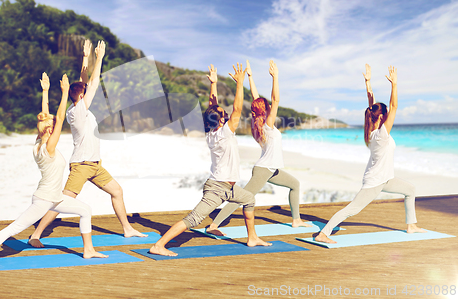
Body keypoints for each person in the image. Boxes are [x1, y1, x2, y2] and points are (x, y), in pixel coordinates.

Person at [0, 73, 108, 268]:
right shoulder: (49, 148)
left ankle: (88, 250)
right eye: (52, 125)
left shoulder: (39, 142)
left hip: (55, 197)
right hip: (45, 199)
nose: (54, 124)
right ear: (49, 130)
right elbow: (60, 117)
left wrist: (45, 92)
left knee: (85, 210)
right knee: (15, 228)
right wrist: (63, 93)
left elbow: (46, 116)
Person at [28, 40, 145, 248]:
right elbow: (92, 83)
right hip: (81, 166)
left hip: (95, 165)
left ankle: (127, 229)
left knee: (117, 191)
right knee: (60, 200)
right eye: (86, 92)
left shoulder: (80, 108)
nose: (90, 92)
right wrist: (99, 58)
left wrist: (85, 57)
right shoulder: (77, 112)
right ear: (81, 96)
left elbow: (84, 81)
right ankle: (36, 234)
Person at [149, 63, 272, 256]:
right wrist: (240, 84)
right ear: (222, 120)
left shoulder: (211, 131)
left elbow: (211, 108)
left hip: (228, 187)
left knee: (249, 199)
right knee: (194, 219)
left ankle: (252, 237)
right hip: (217, 188)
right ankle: (158, 245)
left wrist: (213, 84)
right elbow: (238, 108)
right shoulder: (224, 133)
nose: (227, 114)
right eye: (224, 114)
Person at [315, 65, 426, 244]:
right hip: (375, 181)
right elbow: (394, 106)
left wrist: (368, 83)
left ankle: (411, 225)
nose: (389, 114)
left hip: (386, 178)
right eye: (386, 114)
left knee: (410, 190)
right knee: (353, 209)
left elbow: (371, 107)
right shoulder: (381, 135)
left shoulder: (371, 129)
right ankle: (323, 234)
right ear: (382, 117)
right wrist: (394, 85)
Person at [207, 60, 311, 236]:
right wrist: (275, 77)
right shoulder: (268, 125)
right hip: (264, 170)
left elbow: (257, 100)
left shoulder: (258, 124)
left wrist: (250, 77)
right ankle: (214, 225)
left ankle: (296, 220)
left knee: (295, 184)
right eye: (268, 108)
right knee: (242, 197)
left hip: (271, 168)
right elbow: (275, 99)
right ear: (266, 111)